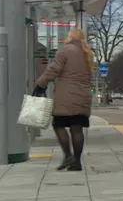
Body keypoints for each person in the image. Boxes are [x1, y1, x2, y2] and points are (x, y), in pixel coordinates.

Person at [35, 28, 94, 171]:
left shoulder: (65, 51)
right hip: (83, 95)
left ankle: (68, 155)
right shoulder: (88, 53)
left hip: (66, 95)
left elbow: (54, 69)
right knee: (77, 127)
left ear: (70, 37)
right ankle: (77, 162)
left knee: (58, 125)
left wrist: (40, 83)